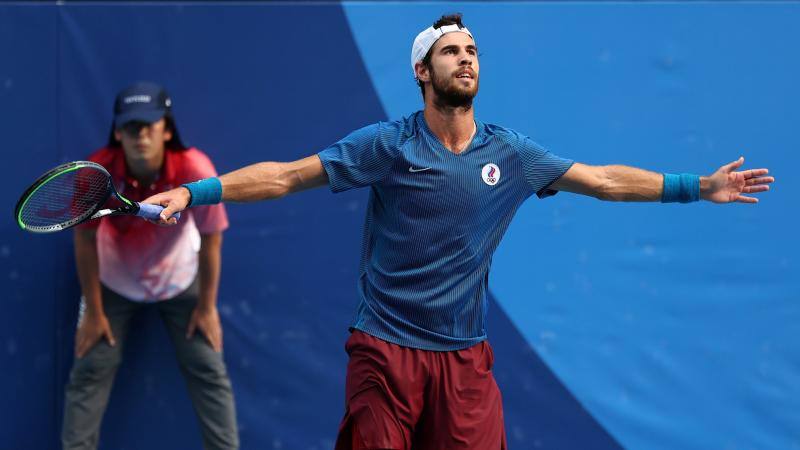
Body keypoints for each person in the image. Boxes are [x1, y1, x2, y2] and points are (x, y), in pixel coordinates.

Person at [145, 14, 773, 450]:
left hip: (463, 361)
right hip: (384, 353)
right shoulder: (387, 146)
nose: (466, 58)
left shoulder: (513, 153)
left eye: (472, 51)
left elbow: (604, 179)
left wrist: (700, 186)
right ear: (423, 71)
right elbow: (284, 176)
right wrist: (195, 191)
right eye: (451, 52)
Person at [62, 82, 239, 450]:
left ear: (167, 130)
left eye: (149, 125)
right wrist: (93, 310)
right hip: (113, 284)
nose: (140, 134)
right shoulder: (96, 174)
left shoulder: (194, 168)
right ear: (117, 132)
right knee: (90, 369)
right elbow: (84, 240)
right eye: (130, 126)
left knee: (209, 368)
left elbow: (212, 237)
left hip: (180, 282)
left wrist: (206, 307)